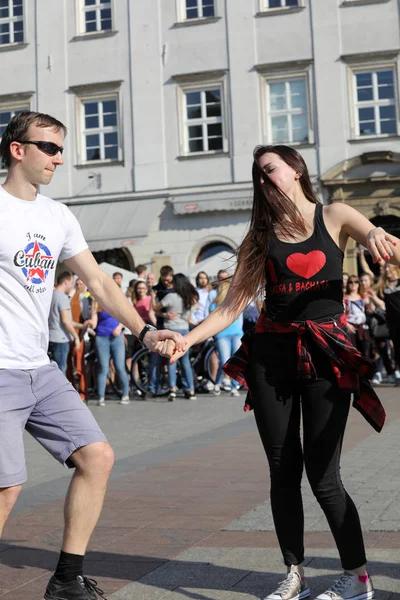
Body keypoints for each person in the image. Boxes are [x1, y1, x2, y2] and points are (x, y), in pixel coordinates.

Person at [171, 144, 400, 600]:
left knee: (324, 475)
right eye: (257, 174)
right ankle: (293, 572)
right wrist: (187, 340)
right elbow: (232, 306)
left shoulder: (334, 215)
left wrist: (379, 236)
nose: (263, 180)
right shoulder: (259, 236)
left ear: (296, 170)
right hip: (270, 360)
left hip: (327, 357)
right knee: (282, 470)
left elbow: (380, 238)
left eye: (270, 169)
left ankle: (357, 577)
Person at [0, 110, 184, 600]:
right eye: (49, 148)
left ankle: (65, 580)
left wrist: (145, 332)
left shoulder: (57, 216)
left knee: (97, 457)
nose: (59, 158)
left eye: (62, 149)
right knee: (6, 487)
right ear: (17, 149)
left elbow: (99, 281)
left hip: (40, 367)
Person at [155, 273, 199, 401]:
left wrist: (164, 314)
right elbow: (190, 316)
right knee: (185, 361)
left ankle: (172, 388)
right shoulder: (189, 297)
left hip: (171, 330)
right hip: (184, 329)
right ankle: (190, 389)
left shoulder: (170, 296)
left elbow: (155, 309)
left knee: (171, 359)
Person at [90, 300, 131, 406]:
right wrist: (89, 324)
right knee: (103, 367)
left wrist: (119, 327)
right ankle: (101, 397)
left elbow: (124, 316)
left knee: (119, 367)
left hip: (116, 338)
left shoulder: (114, 300)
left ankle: (125, 394)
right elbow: (94, 322)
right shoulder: (96, 302)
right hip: (102, 337)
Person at [209, 279, 243, 397]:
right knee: (225, 361)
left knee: (235, 361)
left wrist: (241, 330)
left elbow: (240, 319)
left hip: (236, 333)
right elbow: (211, 323)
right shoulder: (214, 305)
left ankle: (234, 387)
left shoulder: (235, 302)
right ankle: (218, 383)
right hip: (222, 335)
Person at [48, 271, 80, 375]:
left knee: (52, 371)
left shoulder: (51, 295)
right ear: (66, 282)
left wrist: (82, 325)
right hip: (61, 339)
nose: (72, 286)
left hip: (51, 337)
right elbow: (66, 321)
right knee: (60, 372)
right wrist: (76, 337)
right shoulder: (62, 297)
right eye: (71, 283)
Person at [67, 277, 93, 401]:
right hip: (67, 336)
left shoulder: (83, 299)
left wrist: (80, 337)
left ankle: (83, 394)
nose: (78, 286)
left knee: (79, 367)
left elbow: (86, 319)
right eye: (77, 283)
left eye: (80, 283)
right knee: (68, 367)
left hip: (79, 335)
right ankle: (71, 393)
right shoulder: (67, 297)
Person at [375, 263, 400, 386]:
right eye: (385, 268)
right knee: (397, 349)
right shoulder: (382, 286)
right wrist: (373, 297)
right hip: (392, 324)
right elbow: (382, 305)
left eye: (388, 267)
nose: (386, 269)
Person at [344, 275, 372, 357]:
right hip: (351, 328)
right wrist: (347, 325)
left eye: (356, 282)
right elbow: (342, 314)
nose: (353, 284)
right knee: (354, 354)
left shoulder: (363, 296)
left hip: (363, 328)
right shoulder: (344, 298)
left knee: (366, 353)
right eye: (350, 282)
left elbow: (371, 309)